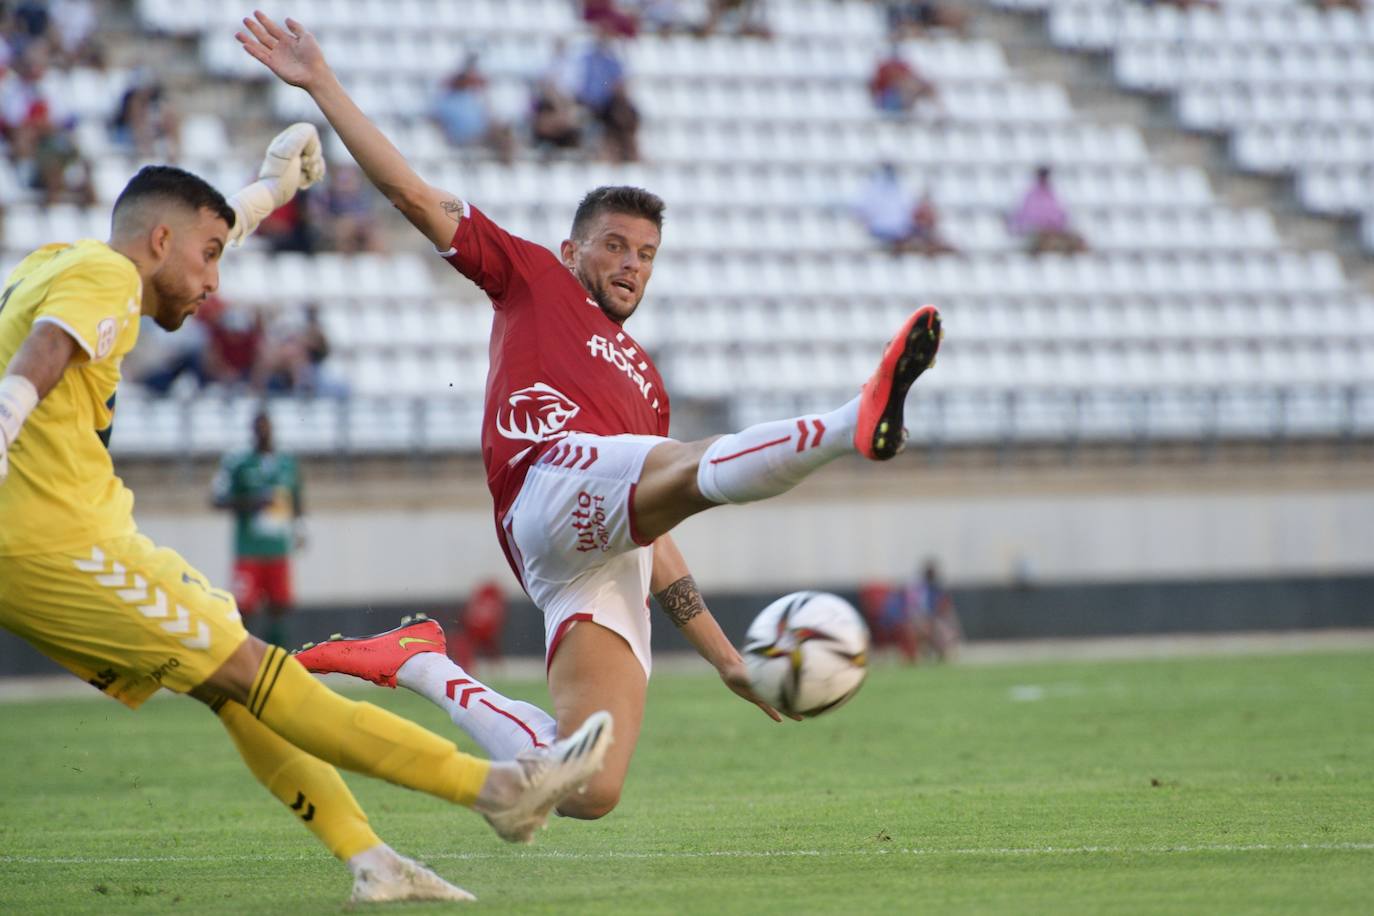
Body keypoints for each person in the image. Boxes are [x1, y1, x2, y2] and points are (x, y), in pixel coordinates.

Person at [238, 12, 940, 822]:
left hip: (597, 553)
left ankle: (422, 662)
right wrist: (321, 83)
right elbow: (412, 193)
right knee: (674, 464)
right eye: (613, 245)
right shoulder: (533, 276)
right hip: (544, 487)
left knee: (588, 785)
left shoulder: (645, 381)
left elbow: (657, 523)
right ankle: (854, 420)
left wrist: (724, 659)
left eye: (644, 255)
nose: (630, 266)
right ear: (573, 251)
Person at [0, 147, 613, 902]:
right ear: (159, 243)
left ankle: (371, 858)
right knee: (257, 672)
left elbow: (188, 228)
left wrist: (270, 190)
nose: (214, 281)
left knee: (232, 684)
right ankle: (500, 789)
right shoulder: (110, 275)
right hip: (57, 542)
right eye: (211, 258)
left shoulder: (60, 258)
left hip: (62, 538)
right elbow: (48, 349)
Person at [212, 411, 303, 647]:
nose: (263, 433)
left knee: (280, 606)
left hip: (277, 547)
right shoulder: (239, 462)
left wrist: (300, 527)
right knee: (245, 609)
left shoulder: (286, 461)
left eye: (267, 427)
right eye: (258, 428)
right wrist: (252, 502)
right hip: (249, 548)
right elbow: (217, 499)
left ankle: (281, 657)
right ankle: (246, 659)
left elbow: (296, 497)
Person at [1008, 165, 1088, 255]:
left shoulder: (1052, 193)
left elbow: (1061, 216)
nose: (1044, 179)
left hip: (1054, 232)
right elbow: (1024, 218)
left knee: (1077, 241)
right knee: (1051, 244)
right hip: (1038, 233)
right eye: (1043, 176)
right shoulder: (1030, 195)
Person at [905, 559, 963, 660]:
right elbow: (913, 609)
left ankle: (941, 652)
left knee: (941, 628)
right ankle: (925, 652)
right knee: (921, 627)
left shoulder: (939, 589)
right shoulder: (917, 590)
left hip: (937, 621)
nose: (931, 575)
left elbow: (945, 609)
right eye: (929, 573)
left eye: (932, 573)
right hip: (921, 621)